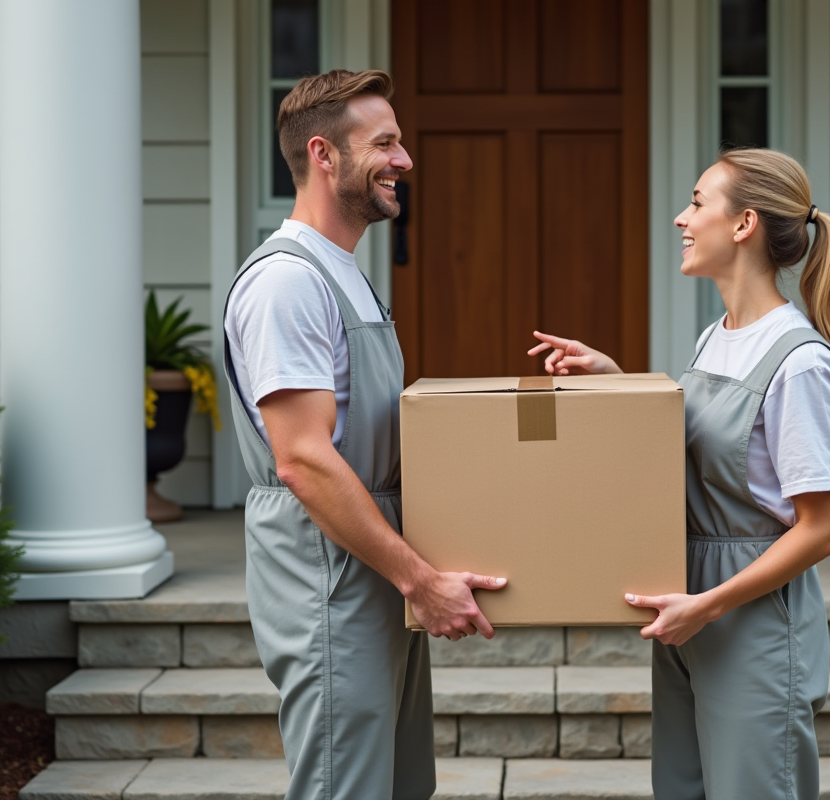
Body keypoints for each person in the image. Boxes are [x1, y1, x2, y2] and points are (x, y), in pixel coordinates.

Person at [529, 147, 830, 800]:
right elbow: (694, 456)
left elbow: (820, 532)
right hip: (691, 605)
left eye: (697, 202)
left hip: (749, 617)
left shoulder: (800, 363)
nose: (682, 219)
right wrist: (615, 380)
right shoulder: (718, 335)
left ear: (744, 225)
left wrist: (707, 606)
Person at [222, 69, 506, 800]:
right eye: (385, 143)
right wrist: (419, 579)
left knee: (398, 784)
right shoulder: (287, 283)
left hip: (372, 569)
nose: (405, 160)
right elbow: (304, 461)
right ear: (323, 154)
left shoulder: (342, 273)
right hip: (329, 576)